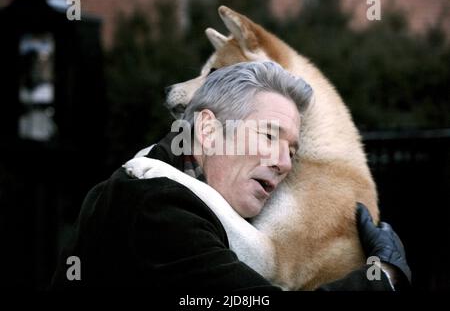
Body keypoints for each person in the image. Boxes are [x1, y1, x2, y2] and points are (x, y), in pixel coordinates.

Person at [51, 61, 411, 291]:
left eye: (292, 150)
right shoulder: (154, 208)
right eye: (269, 135)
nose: (284, 162)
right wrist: (383, 279)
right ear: (207, 131)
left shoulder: (153, 186)